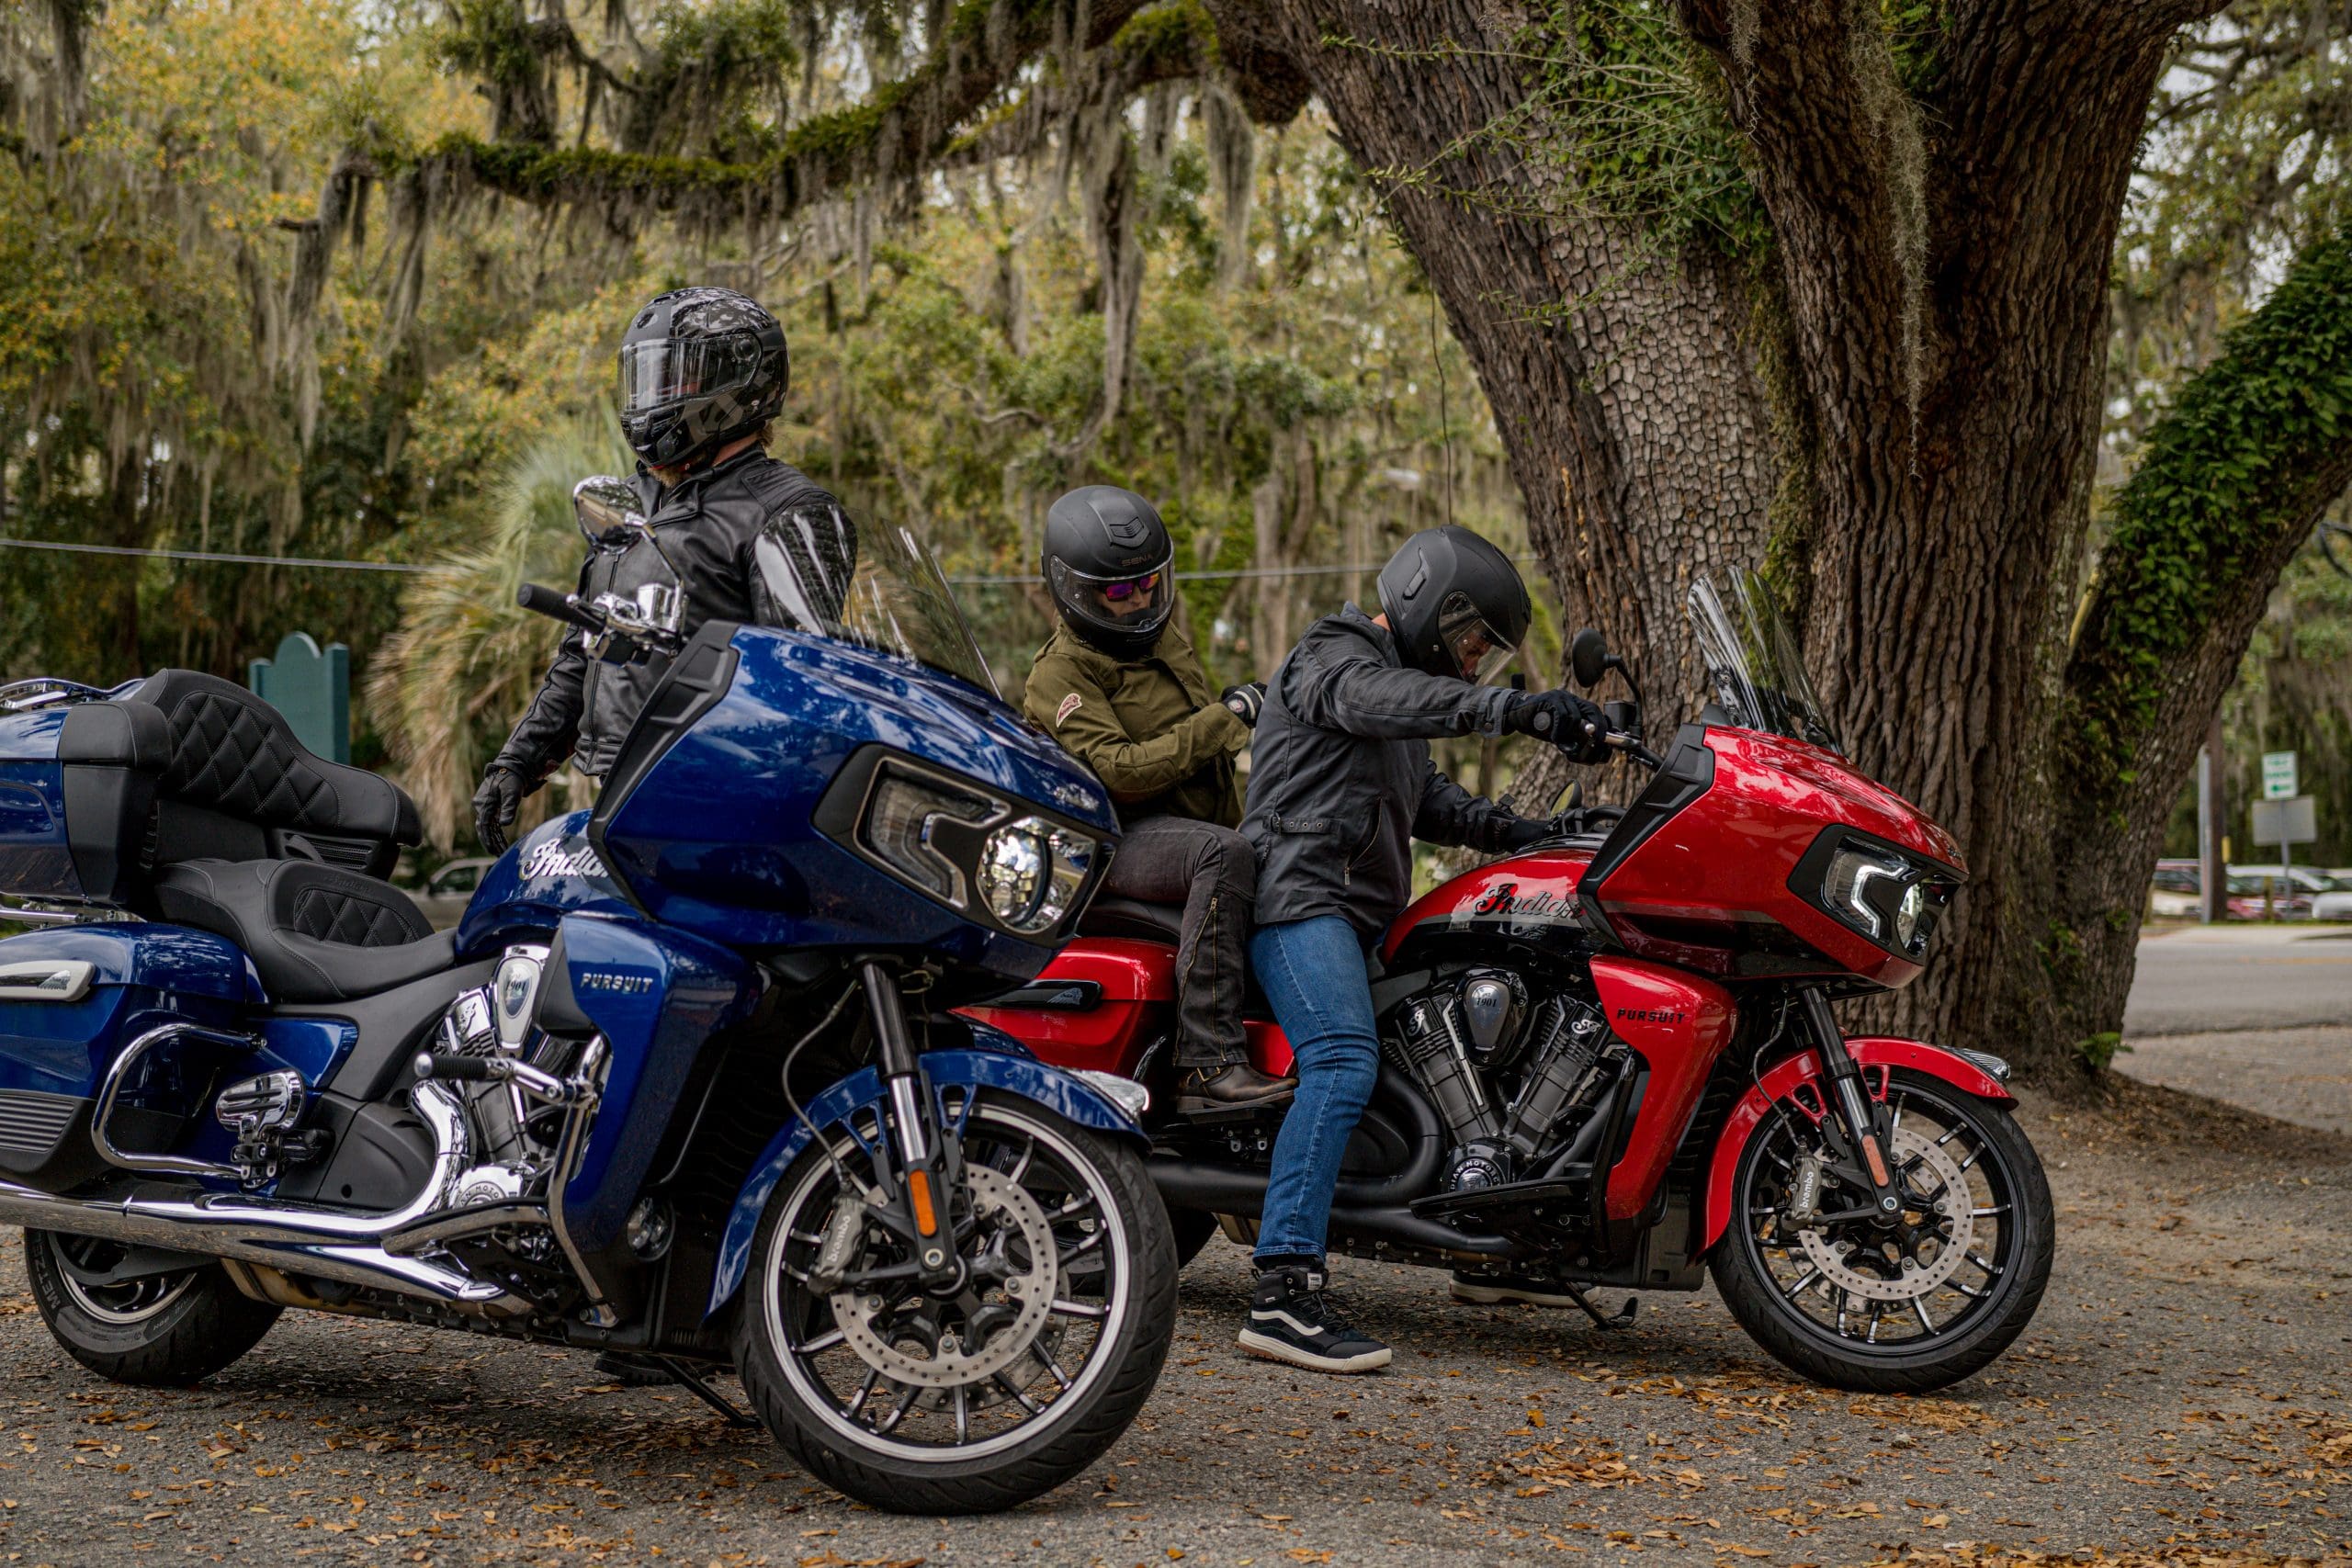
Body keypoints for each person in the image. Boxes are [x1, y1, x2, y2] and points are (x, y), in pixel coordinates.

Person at [1233, 525, 1610, 1373]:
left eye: (1488, 652)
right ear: (1428, 605)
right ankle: (1282, 1291)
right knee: (1340, 1061)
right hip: (1300, 903)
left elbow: (1432, 800)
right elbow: (1385, 701)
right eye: (1473, 640)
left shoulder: (1393, 701)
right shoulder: (1331, 659)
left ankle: (1492, 1244)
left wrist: (1533, 832)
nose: (1474, 662)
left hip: (1362, 915)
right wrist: (1516, 708)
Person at [473, 286, 850, 853]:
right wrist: (517, 762)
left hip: (720, 806)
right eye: (648, 378)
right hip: (620, 796)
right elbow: (584, 650)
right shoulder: (630, 500)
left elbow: (800, 684)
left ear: (739, 382)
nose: (657, 396)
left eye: (677, 380)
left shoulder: (786, 510)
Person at [1023, 485, 1295, 1114]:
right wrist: (1226, 718)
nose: (1141, 598)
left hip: (1183, 826)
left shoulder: (1161, 636)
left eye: (1149, 582)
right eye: (1119, 592)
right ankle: (1207, 1065)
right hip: (1112, 837)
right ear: (1075, 590)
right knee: (1221, 855)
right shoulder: (1060, 672)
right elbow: (1122, 772)